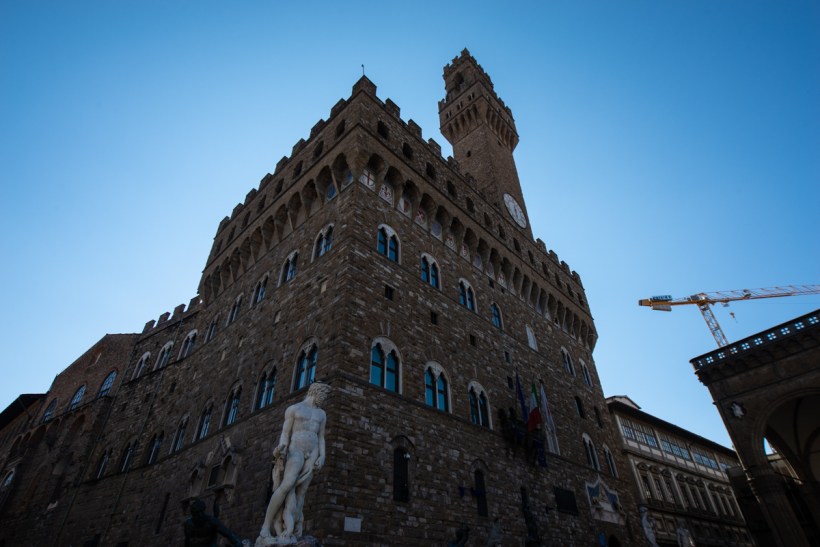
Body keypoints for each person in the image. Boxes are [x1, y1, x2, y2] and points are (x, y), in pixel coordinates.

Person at [258, 381, 330, 544]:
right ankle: (265, 526)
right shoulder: (294, 409)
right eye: (324, 395)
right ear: (316, 392)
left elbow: (321, 437)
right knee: (287, 485)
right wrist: (281, 448)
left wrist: (322, 456)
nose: (325, 399)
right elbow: (285, 432)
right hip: (295, 449)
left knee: (302, 491)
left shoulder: (322, 414)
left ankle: (294, 530)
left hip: (313, 453)